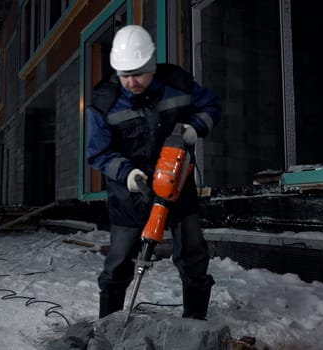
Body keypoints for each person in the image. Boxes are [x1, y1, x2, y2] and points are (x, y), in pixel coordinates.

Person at [86, 25, 221, 320]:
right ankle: (109, 323)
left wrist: (193, 128)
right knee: (119, 261)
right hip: (130, 194)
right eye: (125, 75)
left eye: (138, 74)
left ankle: (194, 323)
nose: (132, 81)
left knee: (193, 255)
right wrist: (126, 173)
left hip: (177, 183)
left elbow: (211, 107)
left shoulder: (177, 82)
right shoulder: (104, 102)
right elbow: (96, 153)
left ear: (151, 66)